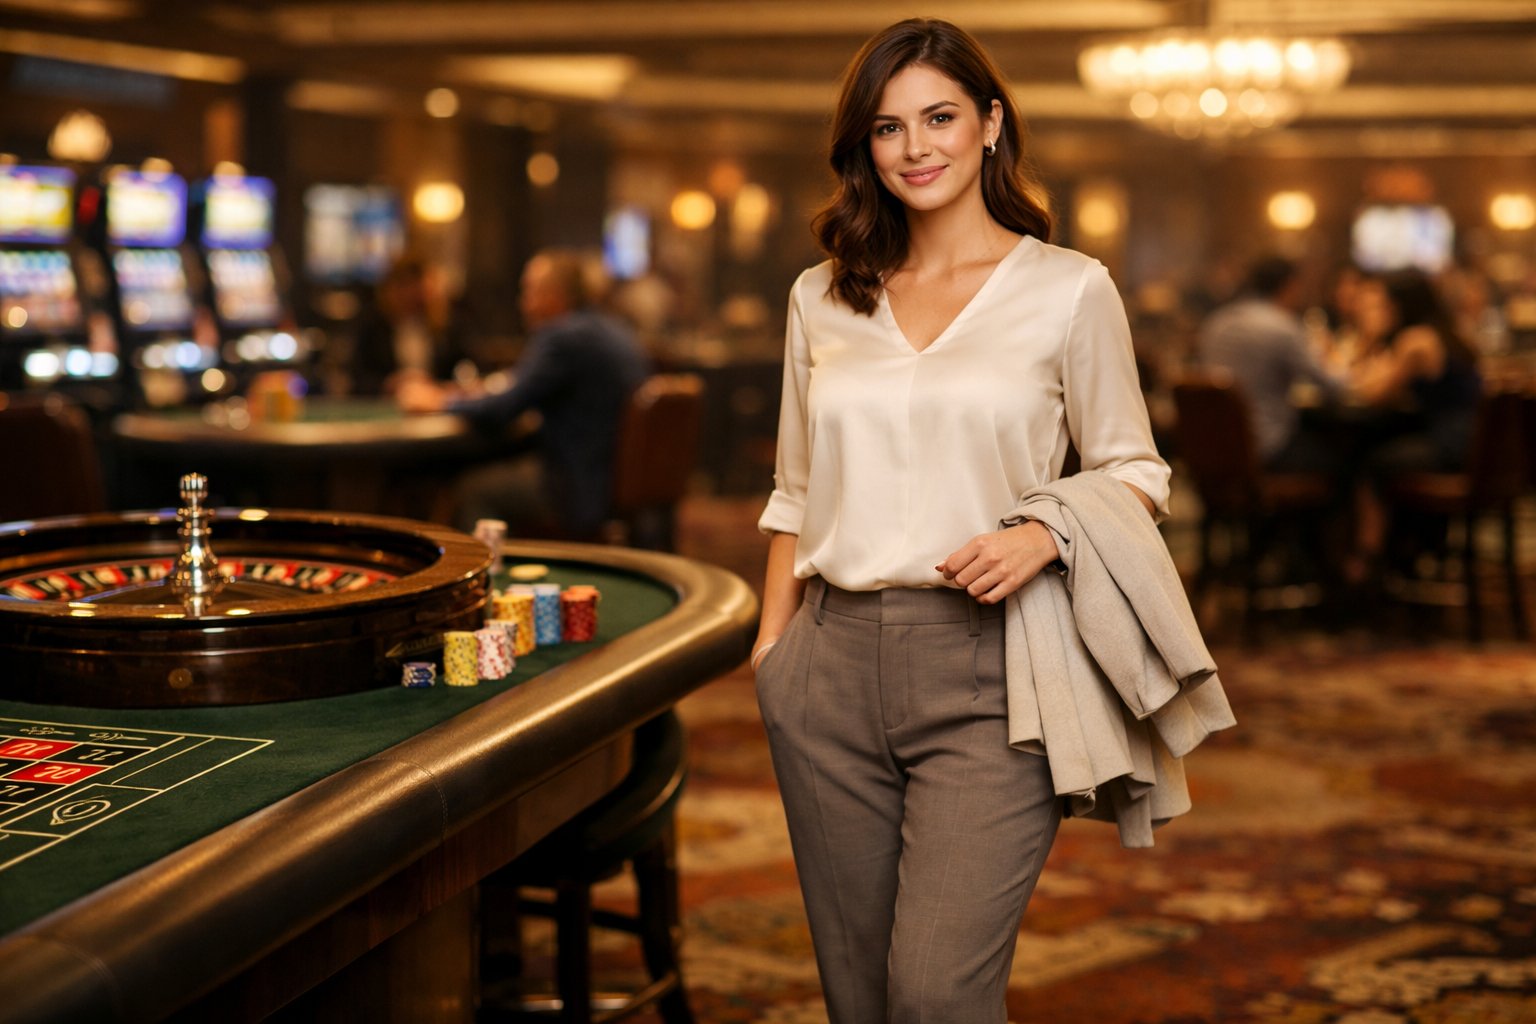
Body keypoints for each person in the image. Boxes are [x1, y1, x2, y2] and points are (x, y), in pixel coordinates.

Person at [751, 19, 1179, 1022]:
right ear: (864, 147)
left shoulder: (1069, 289)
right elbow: (793, 490)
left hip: (993, 669)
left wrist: (1044, 534)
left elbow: (1137, 468)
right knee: (858, 997)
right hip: (827, 670)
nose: (915, 147)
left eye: (939, 117)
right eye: (888, 127)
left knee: (936, 995)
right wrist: (774, 655)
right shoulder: (821, 296)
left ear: (990, 123)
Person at [398, 249, 649, 536]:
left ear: (553, 296)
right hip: (610, 480)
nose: (522, 303)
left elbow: (502, 408)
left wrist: (440, 401)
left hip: (577, 486)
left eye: (529, 291)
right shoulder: (612, 329)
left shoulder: (562, 336)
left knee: (473, 490)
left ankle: (486, 565)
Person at [1345, 268, 1483, 579]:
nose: (1382, 311)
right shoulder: (1444, 333)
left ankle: (1367, 558)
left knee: (1370, 464)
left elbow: (1374, 394)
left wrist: (1370, 338)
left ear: (1401, 304)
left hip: (1451, 447)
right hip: (1476, 445)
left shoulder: (1416, 340)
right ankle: (1411, 551)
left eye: (1386, 305)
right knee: (1392, 448)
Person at [1196, 254, 1348, 474]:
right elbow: (1330, 386)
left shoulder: (1216, 322)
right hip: (1268, 447)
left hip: (1216, 446)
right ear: (1290, 286)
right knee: (1344, 455)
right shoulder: (1281, 326)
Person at [350, 255, 476, 396]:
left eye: (418, 287)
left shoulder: (448, 326)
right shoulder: (372, 327)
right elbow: (357, 379)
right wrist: (389, 383)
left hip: (437, 402)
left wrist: (445, 385)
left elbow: (465, 368)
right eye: (405, 286)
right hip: (387, 404)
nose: (411, 295)